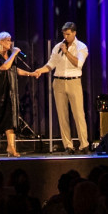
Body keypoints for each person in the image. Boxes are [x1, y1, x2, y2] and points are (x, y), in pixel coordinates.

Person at [35, 21, 90, 152]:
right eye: (64, 34)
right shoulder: (58, 46)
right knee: (62, 115)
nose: (65, 37)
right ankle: (68, 146)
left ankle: (84, 145)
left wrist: (66, 52)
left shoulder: (81, 47)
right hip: (58, 82)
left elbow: (79, 63)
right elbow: (51, 64)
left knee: (78, 114)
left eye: (68, 34)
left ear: (74, 33)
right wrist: (40, 70)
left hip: (74, 82)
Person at [0, 32, 40, 157]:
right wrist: (15, 53)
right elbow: (4, 67)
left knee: (11, 118)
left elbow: (15, 70)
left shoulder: (10, 55)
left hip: (10, 90)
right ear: (0, 42)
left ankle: (11, 147)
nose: (10, 43)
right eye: (7, 40)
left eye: (10, 40)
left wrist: (31, 74)